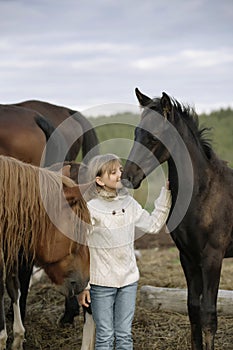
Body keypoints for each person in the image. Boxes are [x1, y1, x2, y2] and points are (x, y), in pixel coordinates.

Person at [78, 153, 171, 350]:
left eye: (119, 170)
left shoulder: (129, 204)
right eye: (112, 172)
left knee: (124, 336)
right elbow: (81, 247)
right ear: (99, 180)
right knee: (104, 336)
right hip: (100, 283)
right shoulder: (91, 209)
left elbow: (154, 225)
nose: (120, 174)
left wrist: (166, 194)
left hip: (128, 281)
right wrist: (85, 285)